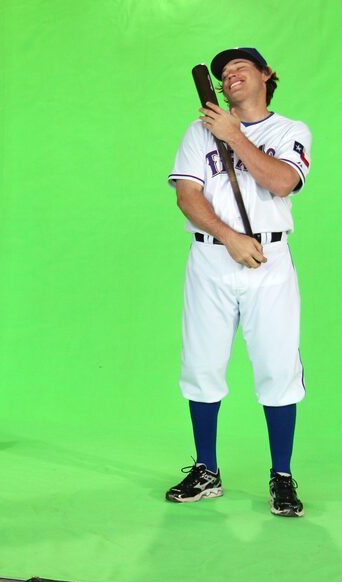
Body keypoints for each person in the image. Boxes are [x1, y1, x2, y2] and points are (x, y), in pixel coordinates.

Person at [165, 48, 311, 517]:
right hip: (212, 257)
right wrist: (229, 237)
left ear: (267, 74)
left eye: (239, 68)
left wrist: (234, 136)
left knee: (276, 368)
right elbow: (188, 196)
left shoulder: (290, 131)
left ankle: (282, 476)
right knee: (201, 365)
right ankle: (206, 469)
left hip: (269, 260)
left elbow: (283, 182)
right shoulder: (197, 132)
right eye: (223, 75)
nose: (229, 77)